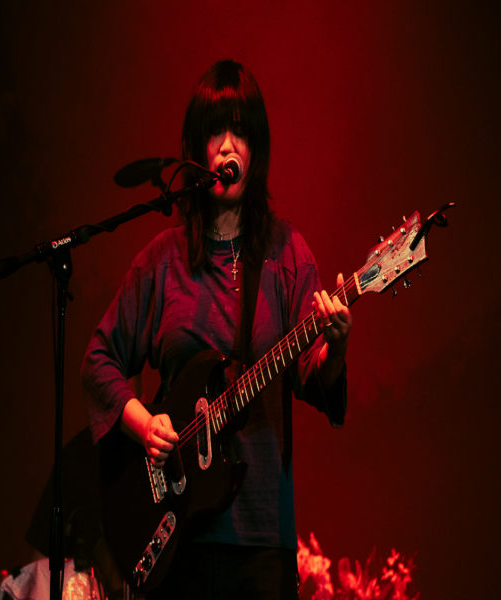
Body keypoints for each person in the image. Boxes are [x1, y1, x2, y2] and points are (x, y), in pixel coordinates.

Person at [81, 59, 351, 599]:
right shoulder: (162, 260)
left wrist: (336, 347)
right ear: (197, 151)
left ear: (257, 151)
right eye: (215, 133)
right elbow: (99, 360)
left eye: (241, 133)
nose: (228, 146)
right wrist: (144, 424)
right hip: (177, 536)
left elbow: (313, 374)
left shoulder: (286, 253)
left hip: (261, 537)